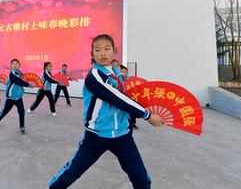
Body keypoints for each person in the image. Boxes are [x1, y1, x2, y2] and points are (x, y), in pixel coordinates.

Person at [48, 34, 164, 189]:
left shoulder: (117, 74)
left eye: (107, 49)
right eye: (98, 50)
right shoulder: (94, 75)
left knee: (140, 177)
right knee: (73, 171)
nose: (102, 53)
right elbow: (118, 98)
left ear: (114, 51)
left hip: (122, 136)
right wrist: (147, 115)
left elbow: (127, 98)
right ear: (92, 55)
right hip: (97, 135)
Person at [0, 59, 35, 134]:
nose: (15, 65)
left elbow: (23, 80)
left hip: (18, 97)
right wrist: (28, 85)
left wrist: (30, 83)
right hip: (11, 97)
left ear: (19, 65)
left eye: (17, 64)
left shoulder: (21, 73)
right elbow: (17, 80)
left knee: (21, 111)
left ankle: (22, 126)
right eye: (13, 64)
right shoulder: (12, 73)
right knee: (5, 111)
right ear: (11, 66)